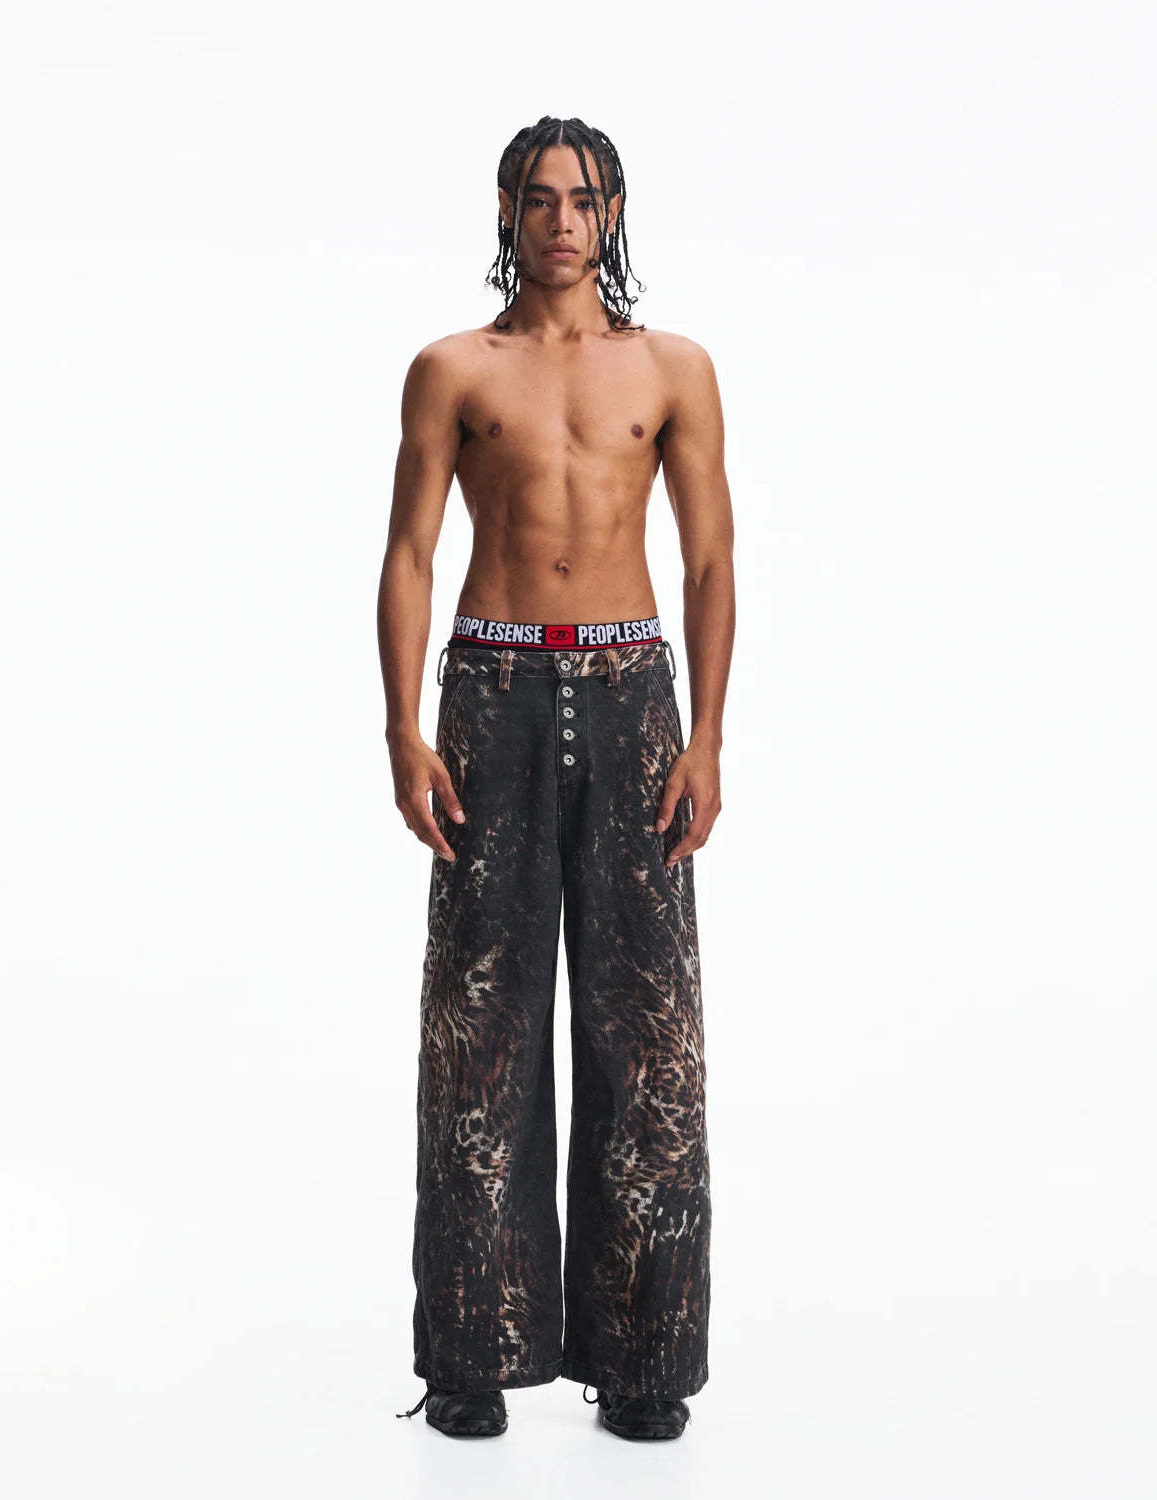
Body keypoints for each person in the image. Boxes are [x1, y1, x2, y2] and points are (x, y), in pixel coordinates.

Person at [380, 114, 735, 1442]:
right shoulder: (452, 368)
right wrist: (403, 731)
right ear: (508, 213)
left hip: (634, 691)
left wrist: (706, 738)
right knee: (480, 1034)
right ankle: (471, 1359)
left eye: (584, 200)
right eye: (540, 200)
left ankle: (642, 1367)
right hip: (493, 689)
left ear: (614, 212)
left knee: (647, 1035)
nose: (564, 222)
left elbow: (710, 558)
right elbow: (409, 551)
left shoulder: (674, 368)